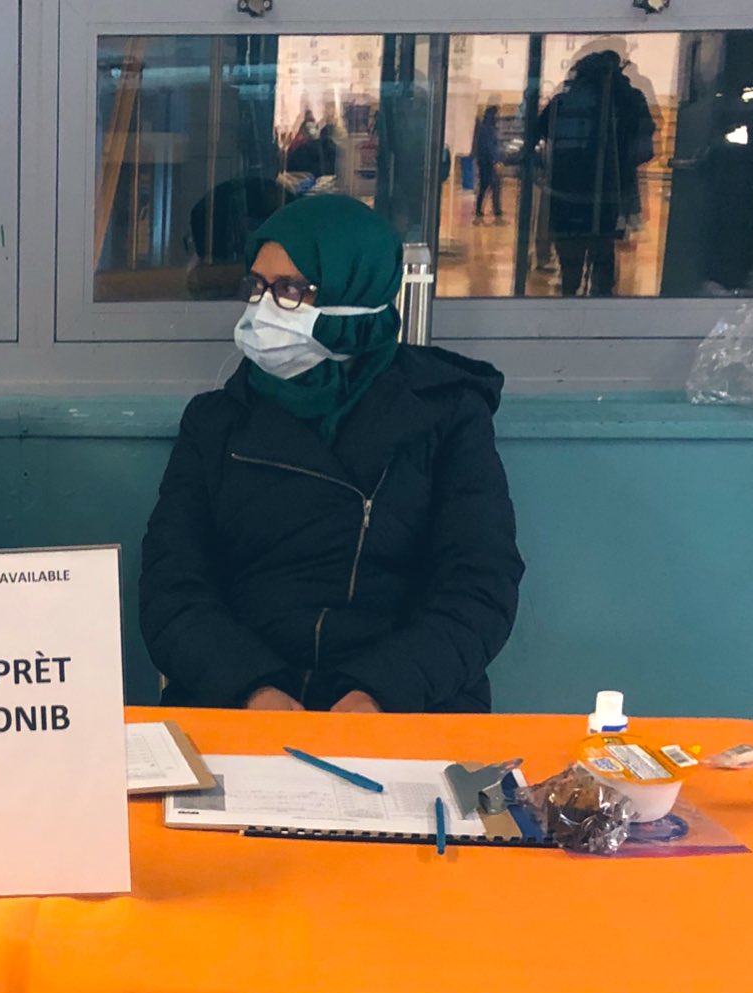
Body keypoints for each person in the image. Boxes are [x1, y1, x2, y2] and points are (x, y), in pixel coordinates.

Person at [139, 193, 522, 715]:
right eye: (257, 287)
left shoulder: (448, 413)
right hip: (242, 701)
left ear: (356, 290)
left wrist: (376, 695)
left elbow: (479, 588)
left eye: (291, 289)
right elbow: (172, 588)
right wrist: (253, 689)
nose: (263, 309)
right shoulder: (217, 422)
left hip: (402, 705)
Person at [536, 48, 655, 297]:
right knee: (603, 254)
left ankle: (568, 302)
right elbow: (644, 150)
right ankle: (600, 307)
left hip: (563, 192)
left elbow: (536, 136)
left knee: (570, 261)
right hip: (609, 194)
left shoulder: (562, 101)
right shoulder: (629, 101)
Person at [473, 107, 505, 222]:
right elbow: (491, 147)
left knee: (485, 186)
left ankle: (480, 209)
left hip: (484, 161)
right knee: (493, 186)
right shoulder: (489, 130)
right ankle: (495, 210)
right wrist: (495, 160)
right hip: (488, 162)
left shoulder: (483, 128)